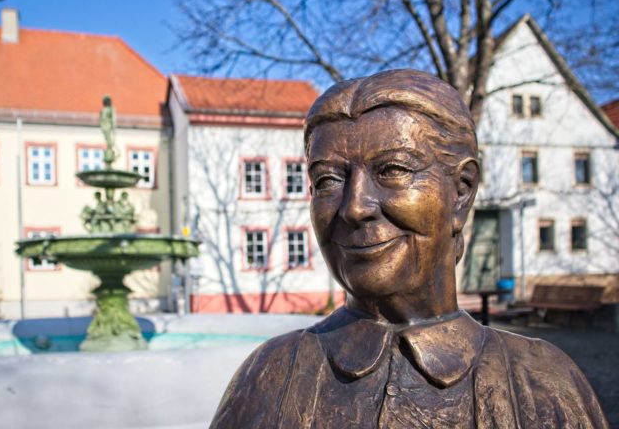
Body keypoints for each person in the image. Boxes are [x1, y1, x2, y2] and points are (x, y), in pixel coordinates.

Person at [211, 70, 608, 428]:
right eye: (328, 180)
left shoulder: (541, 383)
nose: (354, 208)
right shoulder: (271, 377)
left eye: (393, 170)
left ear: (462, 193)